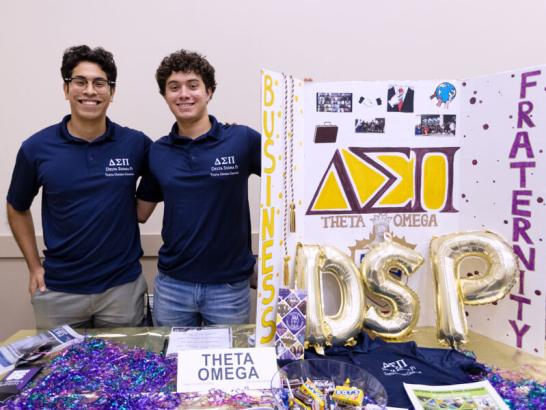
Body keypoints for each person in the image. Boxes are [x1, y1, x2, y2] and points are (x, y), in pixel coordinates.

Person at [6, 45, 151, 329]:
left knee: (125, 371)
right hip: (59, 291)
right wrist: (34, 266)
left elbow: (175, 161)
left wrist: (221, 132)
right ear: (66, 88)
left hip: (121, 289)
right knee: (58, 372)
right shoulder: (37, 148)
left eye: (100, 83)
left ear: (112, 92)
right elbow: (16, 207)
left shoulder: (135, 144)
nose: (89, 91)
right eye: (80, 82)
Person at [136, 49, 261, 327]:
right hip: (172, 287)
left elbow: (292, 169)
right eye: (174, 87)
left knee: (227, 369)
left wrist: (301, 105)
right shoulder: (158, 151)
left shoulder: (241, 140)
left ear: (209, 91)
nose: (184, 94)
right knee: (172, 368)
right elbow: (140, 212)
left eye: (193, 85)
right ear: (165, 95)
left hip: (228, 289)